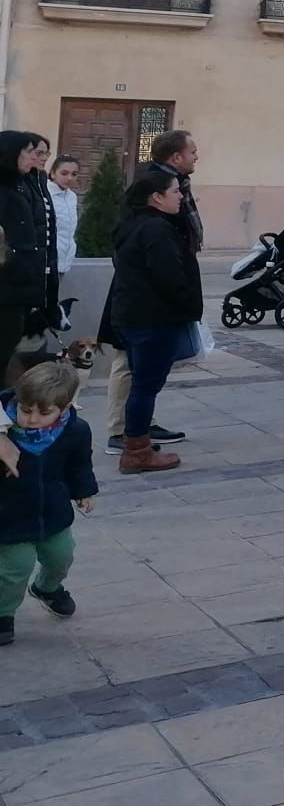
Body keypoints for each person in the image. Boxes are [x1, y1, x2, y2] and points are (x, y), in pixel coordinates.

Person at [105, 170, 203, 473]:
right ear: (156, 197)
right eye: (175, 192)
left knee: (141, 385)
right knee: (145, 387)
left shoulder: (135, 224)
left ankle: (137, 444)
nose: (181, 197)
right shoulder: (156, 229)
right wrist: (187, 305)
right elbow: (169, 276)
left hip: (135, 316)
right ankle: (137, 451)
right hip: (152, 319)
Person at [0, 361, 96, 646]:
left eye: (43, 412)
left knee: (61, 556)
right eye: (25, 409)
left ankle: (47, 588)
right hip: (8, 517)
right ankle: (3, 614)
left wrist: (84, 491)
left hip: (52, 512)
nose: (30, 419)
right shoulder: (4, 431)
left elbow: (79, 464)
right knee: (15, 567)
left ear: (64, 410)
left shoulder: (75, 431)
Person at [0, 131, 58, 388]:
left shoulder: (21, 185)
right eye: (27, 151)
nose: (32, 157)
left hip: (18, 289)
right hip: (6, 285)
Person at [142, 131, 204, 258]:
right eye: (193, 153)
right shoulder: (154, 185)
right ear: (176, 158)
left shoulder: (180, 181)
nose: (196, 157)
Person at [48, 156, 80, 288]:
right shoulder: (45, 194)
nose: (69, 178)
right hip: (47, 260)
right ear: (53, 173)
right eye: (64, 173)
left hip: (65, 259)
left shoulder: (72, 196)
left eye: (74, 174)